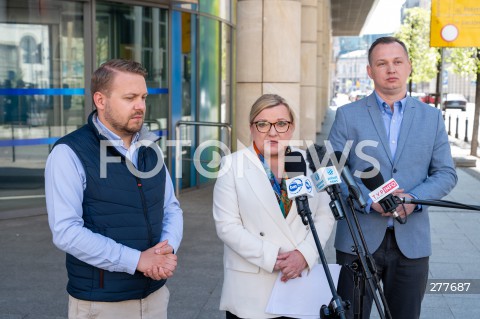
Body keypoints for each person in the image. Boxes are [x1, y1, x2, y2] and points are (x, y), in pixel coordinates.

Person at [328, 36, 458, 319]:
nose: (391, 69)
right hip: (358, 239)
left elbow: (446, 173)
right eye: (382, 63)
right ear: (370, 71)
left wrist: (414, 199)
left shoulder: (432, 118)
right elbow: (332, 171)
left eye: (397, 62)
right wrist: (367, 199)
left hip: (412, 242)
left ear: (409, 66)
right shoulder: (347, 116)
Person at [45, 59, 183, 319]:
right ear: (101, 100)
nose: (140, 105)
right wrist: (137, 261)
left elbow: (171, 208)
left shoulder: (150, 147)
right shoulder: (68, 153)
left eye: (143, 96)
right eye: (130, 97)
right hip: (102, 304)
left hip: (155, 297)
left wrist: (167, 250)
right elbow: (66, 231)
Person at [213, 93, 335, 319]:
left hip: (300, 283)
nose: (272, 131)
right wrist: (272, 256)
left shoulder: (309, 162)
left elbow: (325, 215)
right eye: (263, 124)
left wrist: (304, 255)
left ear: (291, 127)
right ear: (251, 128)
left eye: (281, 123)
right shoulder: (232, 165)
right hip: (251, 288)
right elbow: (226, 226)